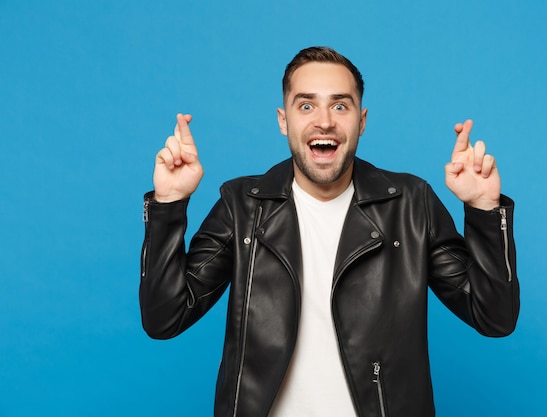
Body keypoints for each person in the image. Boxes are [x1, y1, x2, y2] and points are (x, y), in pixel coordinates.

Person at [140, 46, 520, 417]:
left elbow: (494, 318)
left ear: (362, 120)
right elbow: (165, 319)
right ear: (283, 120)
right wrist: (168, 204)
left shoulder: (411, 204)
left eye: (340, 105)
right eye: (306, 105)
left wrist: (484, 209)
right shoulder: (242, 206)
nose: (324, 121)